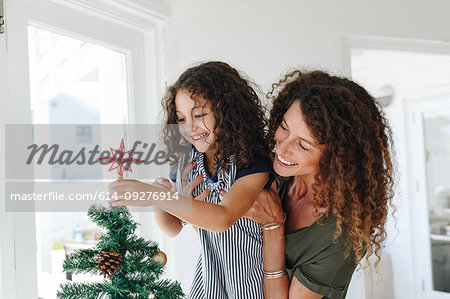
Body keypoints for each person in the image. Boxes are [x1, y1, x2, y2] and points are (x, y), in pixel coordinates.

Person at [109, 61, 276, 299]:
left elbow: (223, 218)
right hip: (209, 279)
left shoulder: (251, 162)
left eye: (199, 115)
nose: (191, 127)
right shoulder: (187, 164)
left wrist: (155, 195)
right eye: (181, 119)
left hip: (253, 282)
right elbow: (173, 228)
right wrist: (162, 200)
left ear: (228, 111)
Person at [244, 70, 395, 299]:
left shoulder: (342, 236)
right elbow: (199, 227)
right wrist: (173, 196)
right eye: (284, 127)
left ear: (336, 157)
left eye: (302, 145)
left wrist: (273, 227)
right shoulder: (269, 172)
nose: (282, 149)